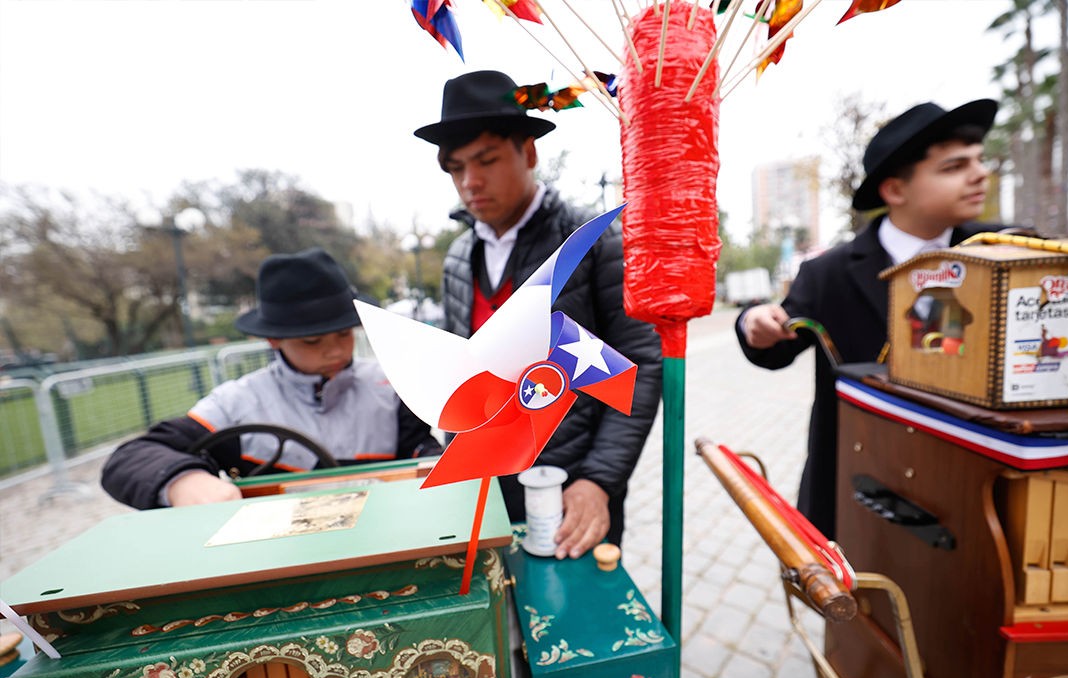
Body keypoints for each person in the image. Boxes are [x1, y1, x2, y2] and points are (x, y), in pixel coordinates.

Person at [414, 70, 663, 559]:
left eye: (486, 160)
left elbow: (640, 364)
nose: (470, 182)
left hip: (571, 484)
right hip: (483, 482)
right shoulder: (458, 257)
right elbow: (459, 370)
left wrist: (599, 479)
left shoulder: (592, 240)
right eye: (456, 168)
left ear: (528, 153)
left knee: (575, 603)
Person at [736, 99, 1009, 539]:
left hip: (978, 495)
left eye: (979, 160)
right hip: (858, 487)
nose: (980, 174)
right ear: (895, 190)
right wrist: (754, 322)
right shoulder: (827, 273)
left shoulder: (1011, 254)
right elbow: (776, 345)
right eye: (955, 166)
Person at [101, 248, 441, 509]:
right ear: (273, 339)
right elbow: (129, 458)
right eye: (313, 340)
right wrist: (182, 481)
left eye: (344, 333)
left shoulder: (390, 387)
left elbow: (421, 451)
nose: (335, 350)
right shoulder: (236, 403)